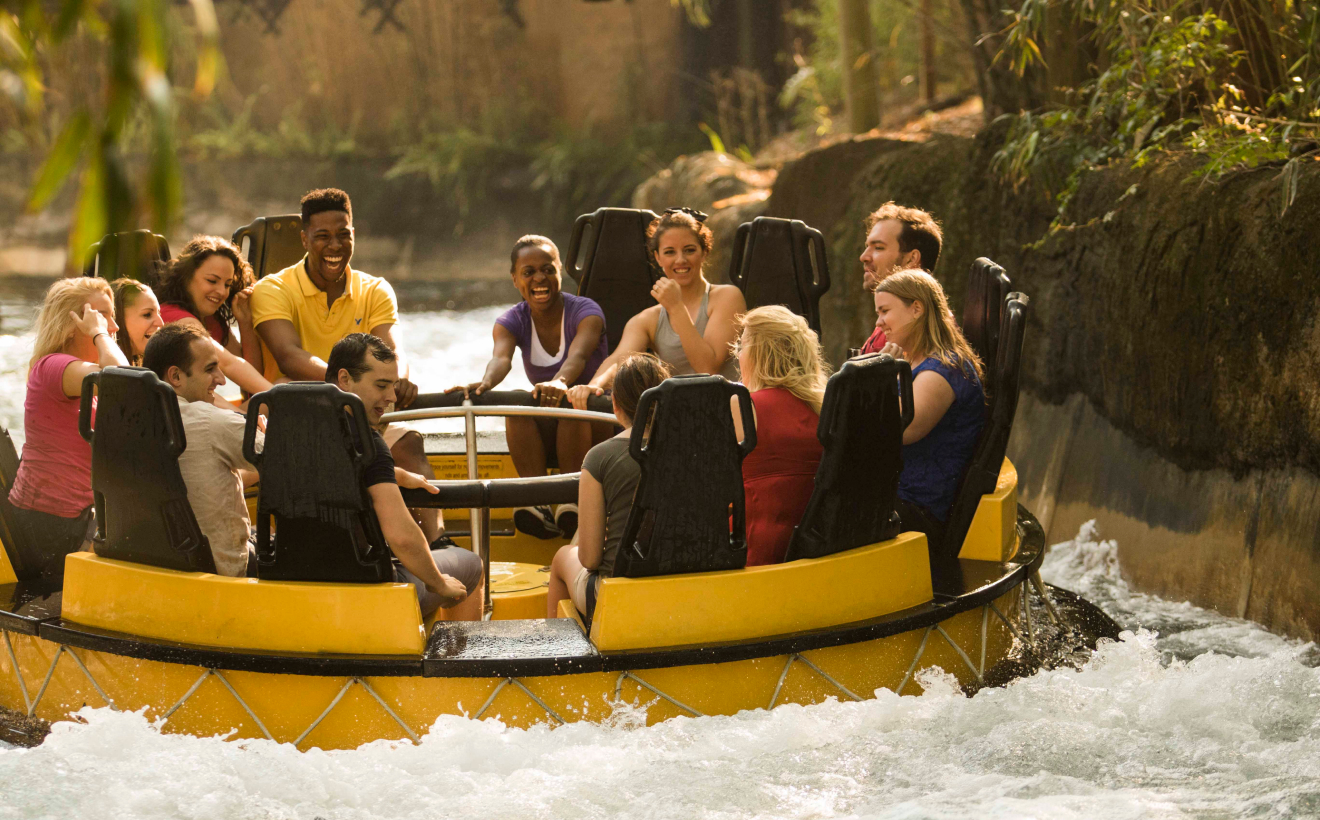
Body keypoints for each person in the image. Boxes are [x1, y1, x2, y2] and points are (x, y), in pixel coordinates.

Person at [250, 188, 441, 543]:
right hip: (303, 421)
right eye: (322, 236)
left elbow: (393, 350)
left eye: (343, 235)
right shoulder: (273, 289)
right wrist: (350, 384)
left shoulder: (375, 289)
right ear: (304, 238)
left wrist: (397, 378)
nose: (334, 246)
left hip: (364, 416)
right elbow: (290, 356)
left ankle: (433, 547)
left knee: (409, 443)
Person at [450, 235, 613, 540]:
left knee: (568, 405)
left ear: (560, 271)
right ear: (515, 279)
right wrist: (485, 383)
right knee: (516, 404)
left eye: (547, 269)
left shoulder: (586, 311)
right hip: (555, 428)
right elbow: (501, 359)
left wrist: (560, 381)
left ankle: (573, 500)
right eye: (529, 272)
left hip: (595, 423)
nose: (540, 278)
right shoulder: (511, 320)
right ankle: (536, 499)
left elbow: (577, 357)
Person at [326, 334, 484, 620]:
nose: (392, 398)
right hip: (371, 590)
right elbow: (402, 537)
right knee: (470, 565)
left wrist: (394, 475)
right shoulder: (369, 444)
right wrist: (439, 583)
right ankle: (457, 663)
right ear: (345, 379)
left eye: (394, 386)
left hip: (302, 576)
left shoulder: (294, 432)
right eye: (382, 386)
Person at [8, 277, 130, 578]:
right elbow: (123, 378)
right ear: (73, 321)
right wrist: (99, 333)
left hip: (76, 516)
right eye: (102, 315)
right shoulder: (53, 366)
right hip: (46, 523)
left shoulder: (81, 372)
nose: (113, 326)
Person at [873, 270, 985, 594]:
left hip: (919, 510)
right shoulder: (916, 360)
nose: (878, 322)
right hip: (903, 496)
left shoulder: (943, 369)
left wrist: (880, 378)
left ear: (917, 309)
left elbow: (901, 430)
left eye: (884, 311)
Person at [567, 209, 743, 411]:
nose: (680, 260)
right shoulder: (647, 319)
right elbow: (619, 360)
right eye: (670, 252)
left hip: (726, 412)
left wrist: (676, 308)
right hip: (676, 415)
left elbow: (707, 368)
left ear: (704, 252)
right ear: (658, 258)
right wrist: (593, 385)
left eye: (689, 250)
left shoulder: (727, 297)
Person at [547, 353, 671, 621]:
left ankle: (557, 655)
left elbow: (590, 559)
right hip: (678, 582)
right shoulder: (692, 450)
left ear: (615, 404)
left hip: (617, 594)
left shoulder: (599, 457)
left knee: (560, 558)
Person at [143, 324, 259, 577]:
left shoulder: (131, 418)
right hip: (222, 568)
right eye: (210, 369)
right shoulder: (213, 422)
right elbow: (288, 461)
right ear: (175, 377)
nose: (222, 379)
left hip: (155, 560)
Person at [733, 306, 827, 566]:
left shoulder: (744, 404)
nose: (738, 355)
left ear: (758, 353)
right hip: (812, 544)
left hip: (756, 549)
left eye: (741, 347)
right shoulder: (826, 404)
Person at [156, 236, 270, 397]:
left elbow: (251, 381)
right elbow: (229, 364)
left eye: (227, 284)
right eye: (212, 281)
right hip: (180, 414)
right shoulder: (178, 318)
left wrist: (244, 322)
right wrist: (280, 396)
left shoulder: (211, 320)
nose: (222, 292)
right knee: (281, 390)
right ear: (186, 276)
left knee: (284, 383)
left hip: (206, 408)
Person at [856, 202, 943, 356]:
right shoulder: (893, 321)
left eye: (878, 247)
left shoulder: (917, 330)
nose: (863, 257)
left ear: (911, 259)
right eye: (867, 246)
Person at [110, 278, 164, 364]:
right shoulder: (94, 368)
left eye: (159, 313)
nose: (161, 323)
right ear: (117, 318)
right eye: (147, 314)